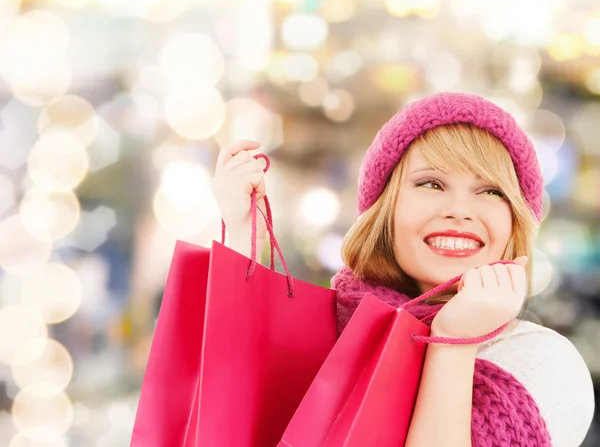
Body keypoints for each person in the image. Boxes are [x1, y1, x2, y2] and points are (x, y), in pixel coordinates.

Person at [211, 92, 595, 447]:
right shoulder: (325, 330)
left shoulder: (543, 362)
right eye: (431, 183)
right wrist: (240, 232)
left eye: (491, 190)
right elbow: (229, 413)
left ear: (515, 220)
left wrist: (452, 339)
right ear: (386, 209)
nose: (460, 211)